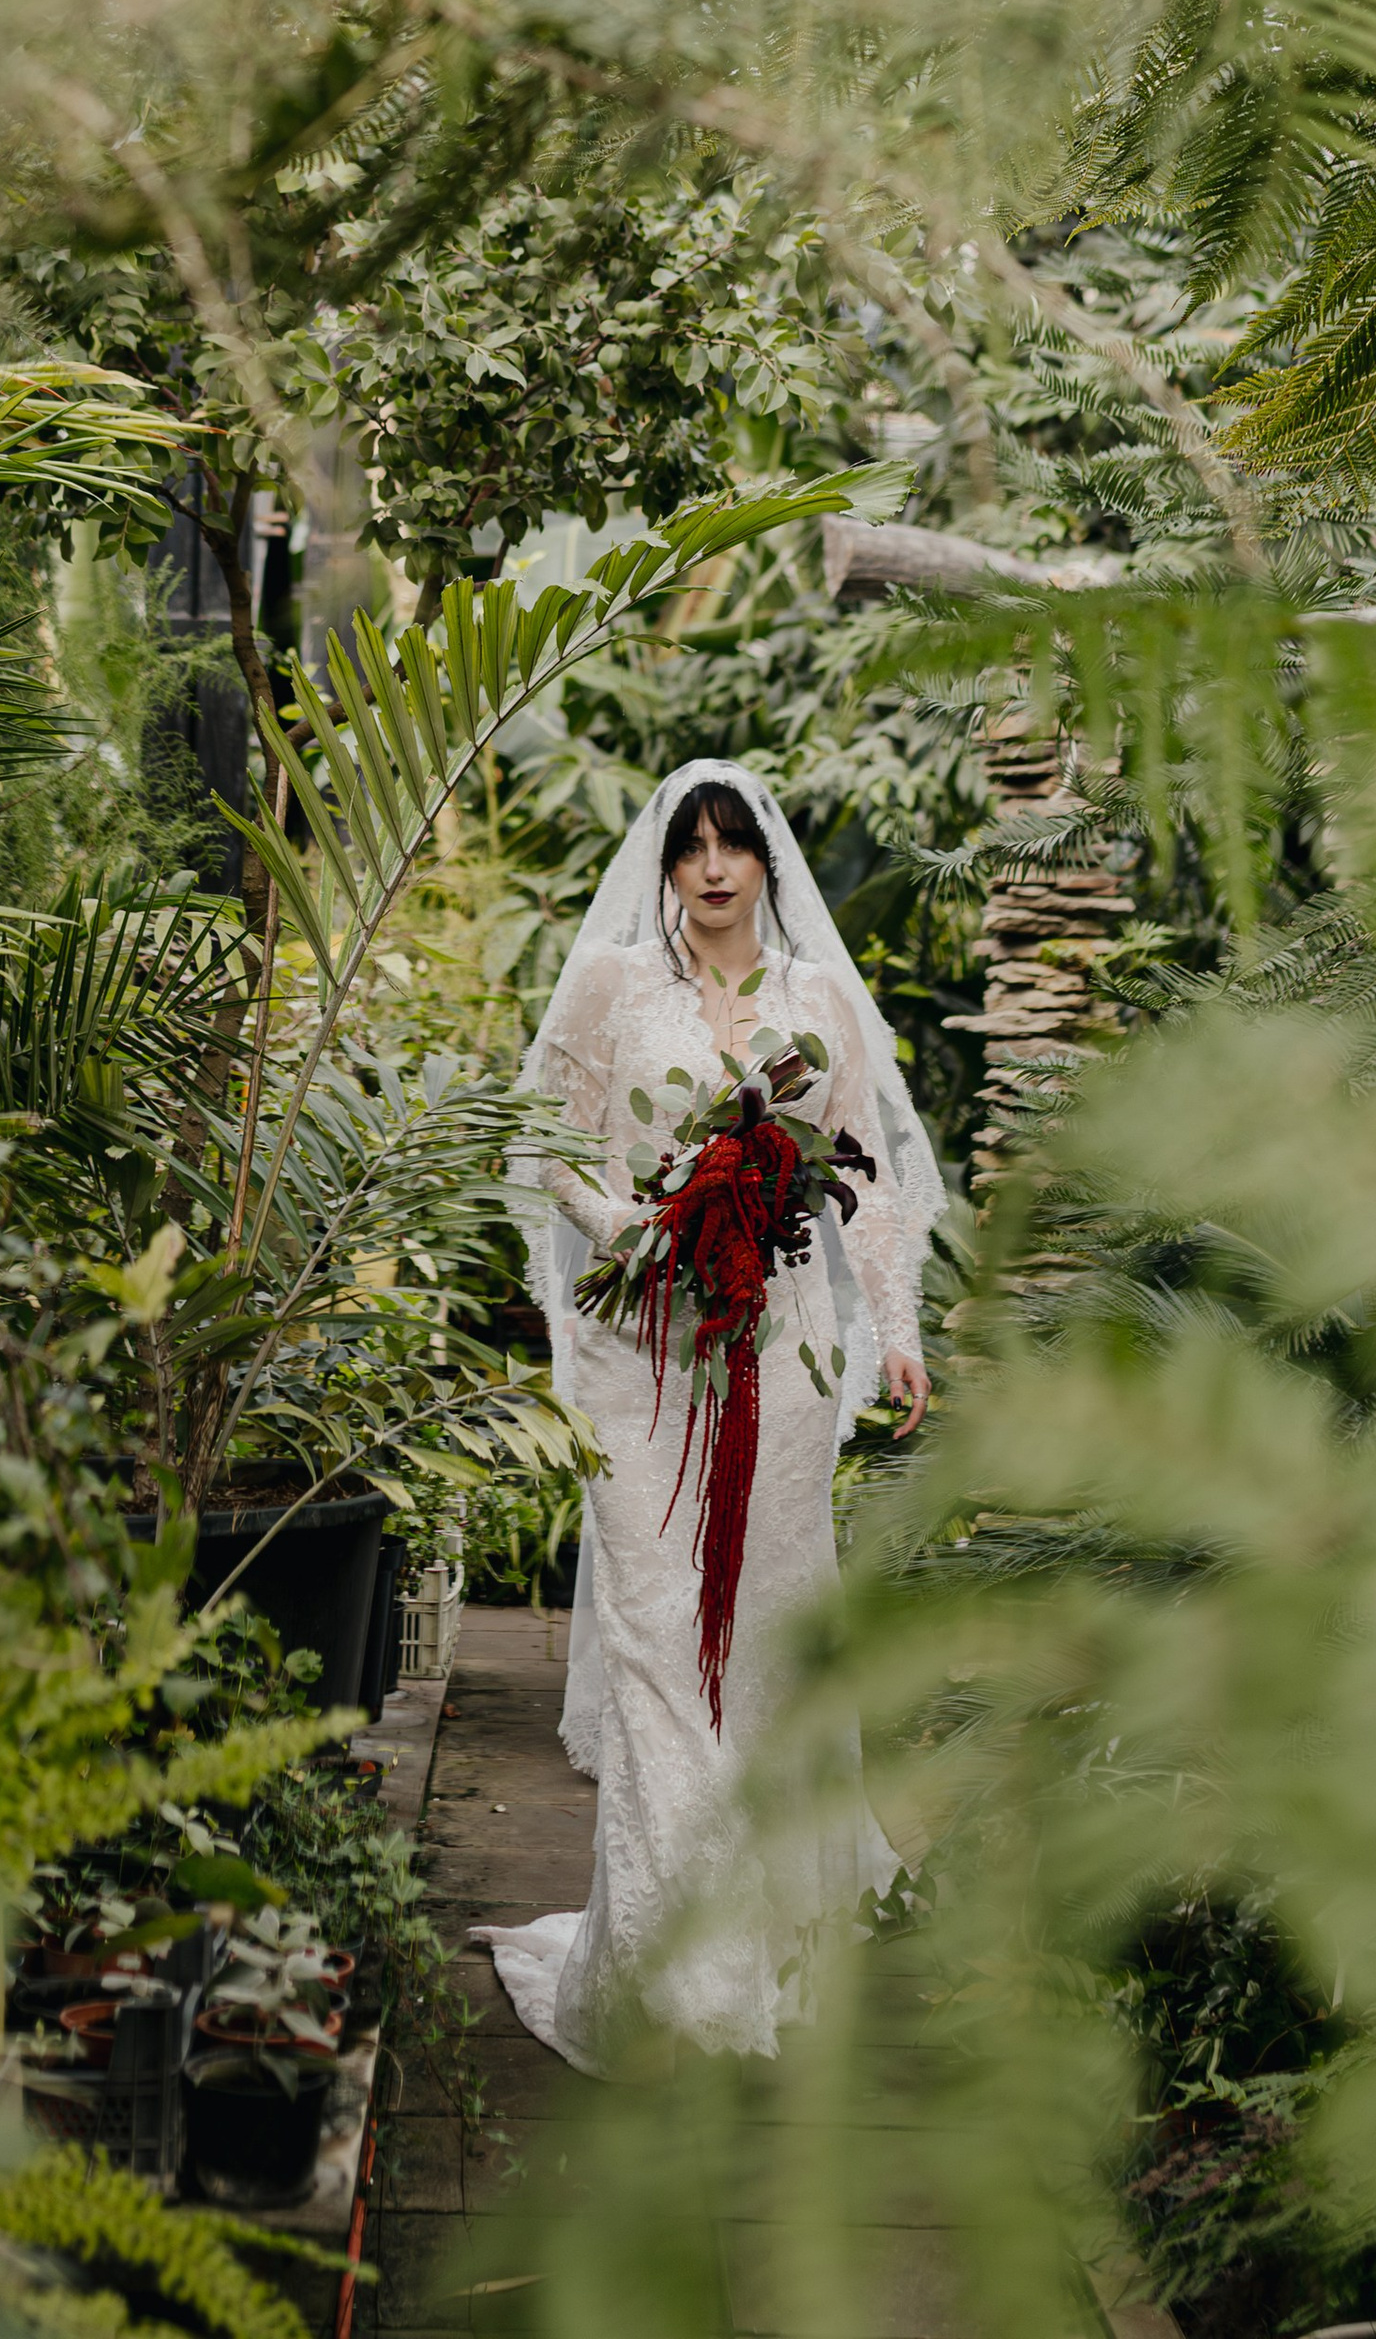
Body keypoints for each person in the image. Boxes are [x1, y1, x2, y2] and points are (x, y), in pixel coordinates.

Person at [478, 759, 944, 2073]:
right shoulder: (611, 987)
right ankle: (664, 1968)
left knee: (760, 1646)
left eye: (736, 843)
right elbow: (543, 1142)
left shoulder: (819, 1003)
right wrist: (633, 1222)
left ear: (767, 864)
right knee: (654, 1636)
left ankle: (755, 1954)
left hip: (777, 1357)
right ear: (667, 865)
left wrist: (897, 1333)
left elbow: (870, 1184)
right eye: (693, 846)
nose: (715, 866)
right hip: (643, 1349)